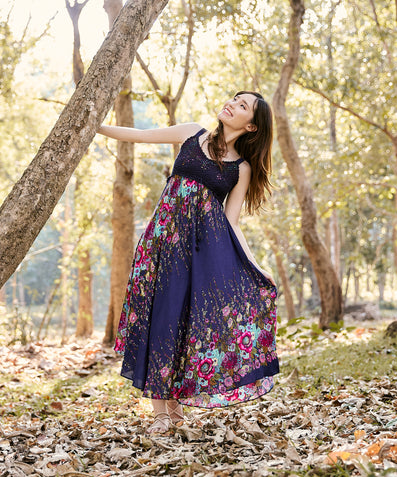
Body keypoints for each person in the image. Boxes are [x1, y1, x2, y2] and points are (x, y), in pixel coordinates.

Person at [97, 91, 279, 434]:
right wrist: (93, 126)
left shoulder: (242, 168)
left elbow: (233, 222)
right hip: (163, 243)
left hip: (204, 253)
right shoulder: (191, 134)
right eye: (234, 99)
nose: (232, 105)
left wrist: (255, 266)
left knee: (185, 324)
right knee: (160, 318)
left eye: (243, 106)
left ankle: (175, 412)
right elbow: (138, 136)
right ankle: (161, 415)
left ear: (252, 125)